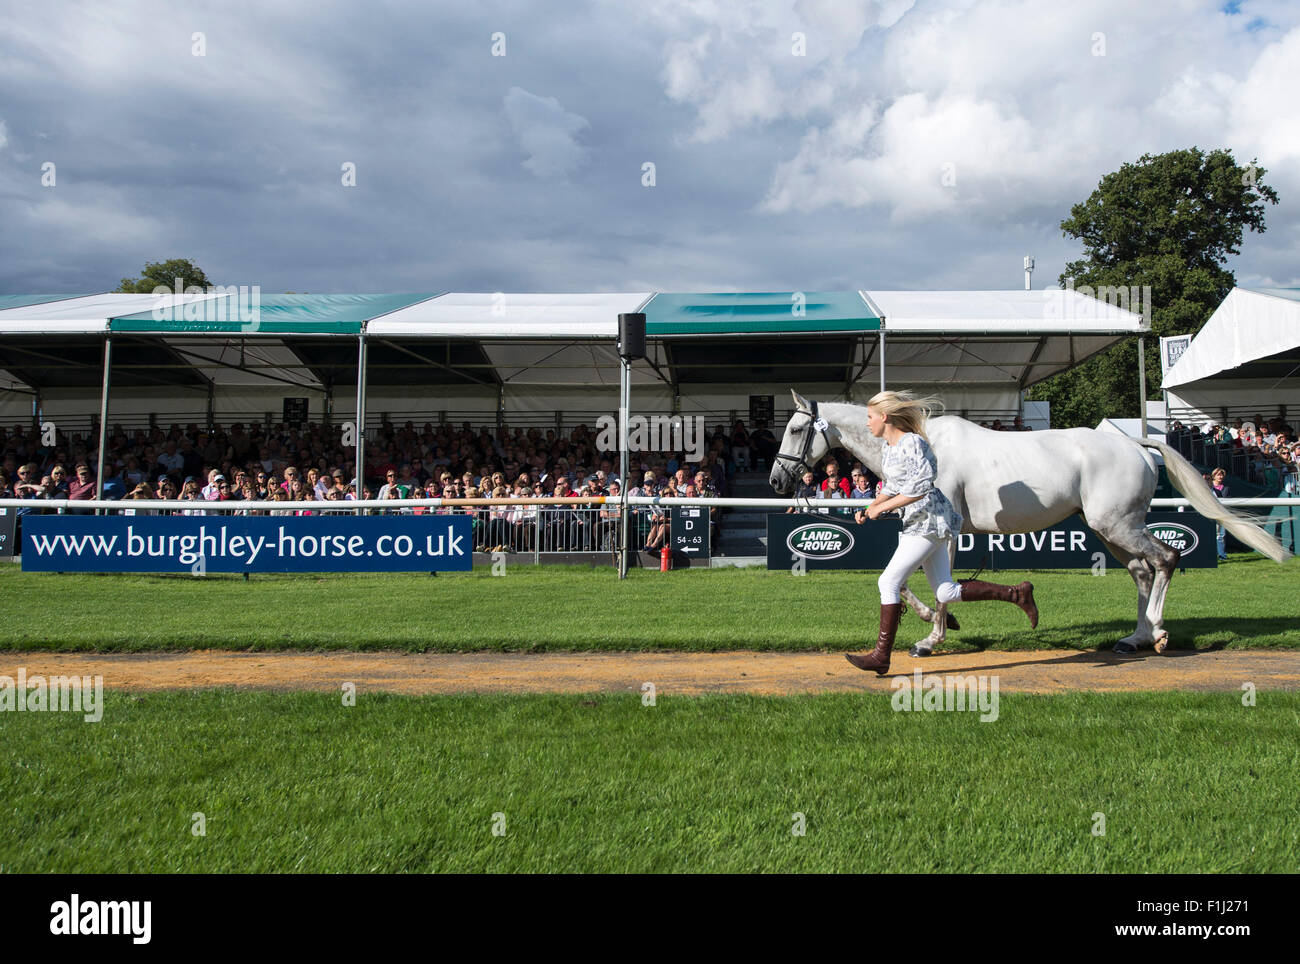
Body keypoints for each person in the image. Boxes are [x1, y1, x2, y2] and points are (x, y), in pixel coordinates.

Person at [846, 390, 1038, 674]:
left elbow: (920, 487)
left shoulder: (912, 443)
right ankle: (1017, 594)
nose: (867, 423)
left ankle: (880, 656)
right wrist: (871, 507)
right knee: (946, 592)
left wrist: (882, 510)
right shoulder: (889, 447)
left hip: (930, 522)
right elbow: (892, 486)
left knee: (888, 582)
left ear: (884, 417)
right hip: (919, 522)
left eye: (870, 417)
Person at [1210, 467, 1229, 561]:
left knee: (1221, 535)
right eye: (1218, 475)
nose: (1220, 477)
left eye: (1221, 475)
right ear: (1214, 476)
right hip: (1210, 513)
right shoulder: (1209, 487)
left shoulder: (1226, 488)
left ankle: (1222, 555)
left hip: (1222, 514)